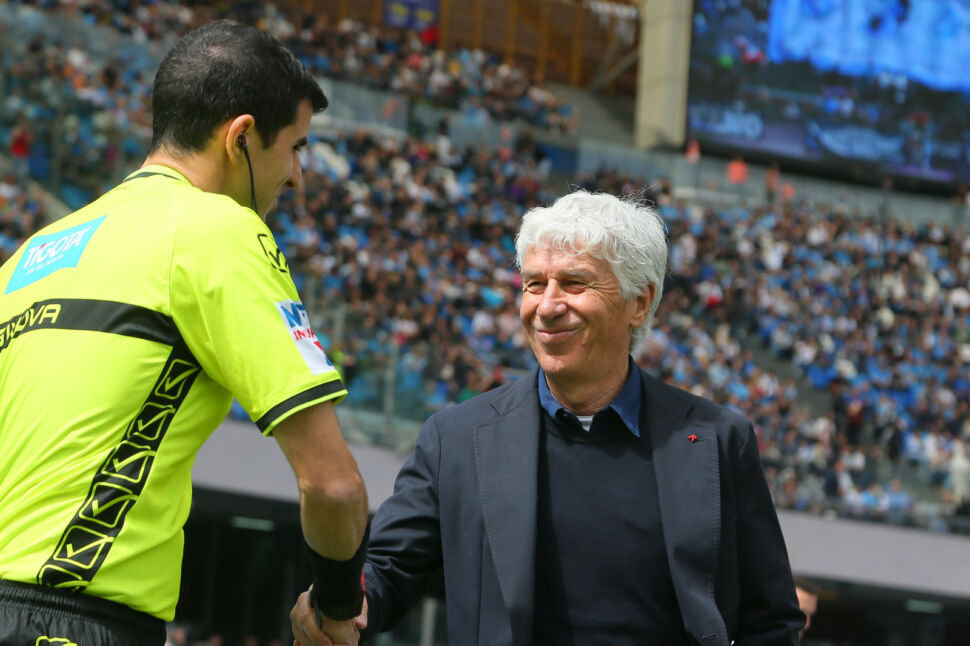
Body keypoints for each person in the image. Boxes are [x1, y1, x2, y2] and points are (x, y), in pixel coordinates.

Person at [292, 190, 804, 645]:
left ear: (639, 303)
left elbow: (772, 620)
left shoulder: (718, 440)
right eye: (534, 284)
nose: (547, 306)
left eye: (575, 283)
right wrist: (338, 604)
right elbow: (387, 571)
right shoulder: (457, 438)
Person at [0, 21, 368, 646]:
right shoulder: (219, 229)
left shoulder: (33, 253)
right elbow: (332, 486)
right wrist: (336, 609)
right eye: (297, 148)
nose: (300, 177)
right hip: (74, 620)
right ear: (242, 137)